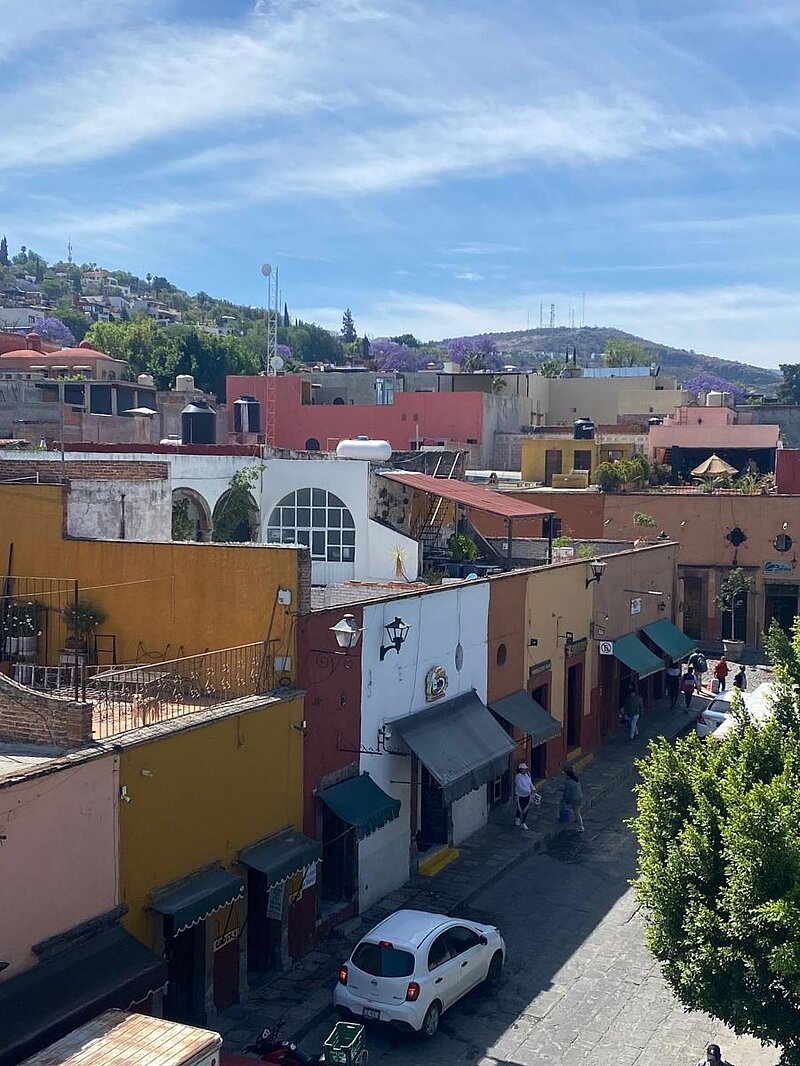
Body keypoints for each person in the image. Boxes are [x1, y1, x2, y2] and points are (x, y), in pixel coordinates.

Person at [514, 761, 538, 831]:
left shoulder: (527, 775)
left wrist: (533, 789)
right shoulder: (518, 777)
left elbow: (530, 783)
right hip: (520, 795)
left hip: (527, 795)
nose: (524, 770)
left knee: (526, 809)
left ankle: (523, 822)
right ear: (520, 769)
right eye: (523, 769)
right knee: (520, 807)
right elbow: (520, 787)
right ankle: (517, 818)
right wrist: (528, 791)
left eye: (525, 769)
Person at [562, 766, 585, 832]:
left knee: (577, 812)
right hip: (580, 797)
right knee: (577, 811)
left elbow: (567, 792)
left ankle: (580, 826)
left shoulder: (568, 782)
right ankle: (578, 822)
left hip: (575, 799)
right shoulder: (575, 779)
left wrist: (566, 800)